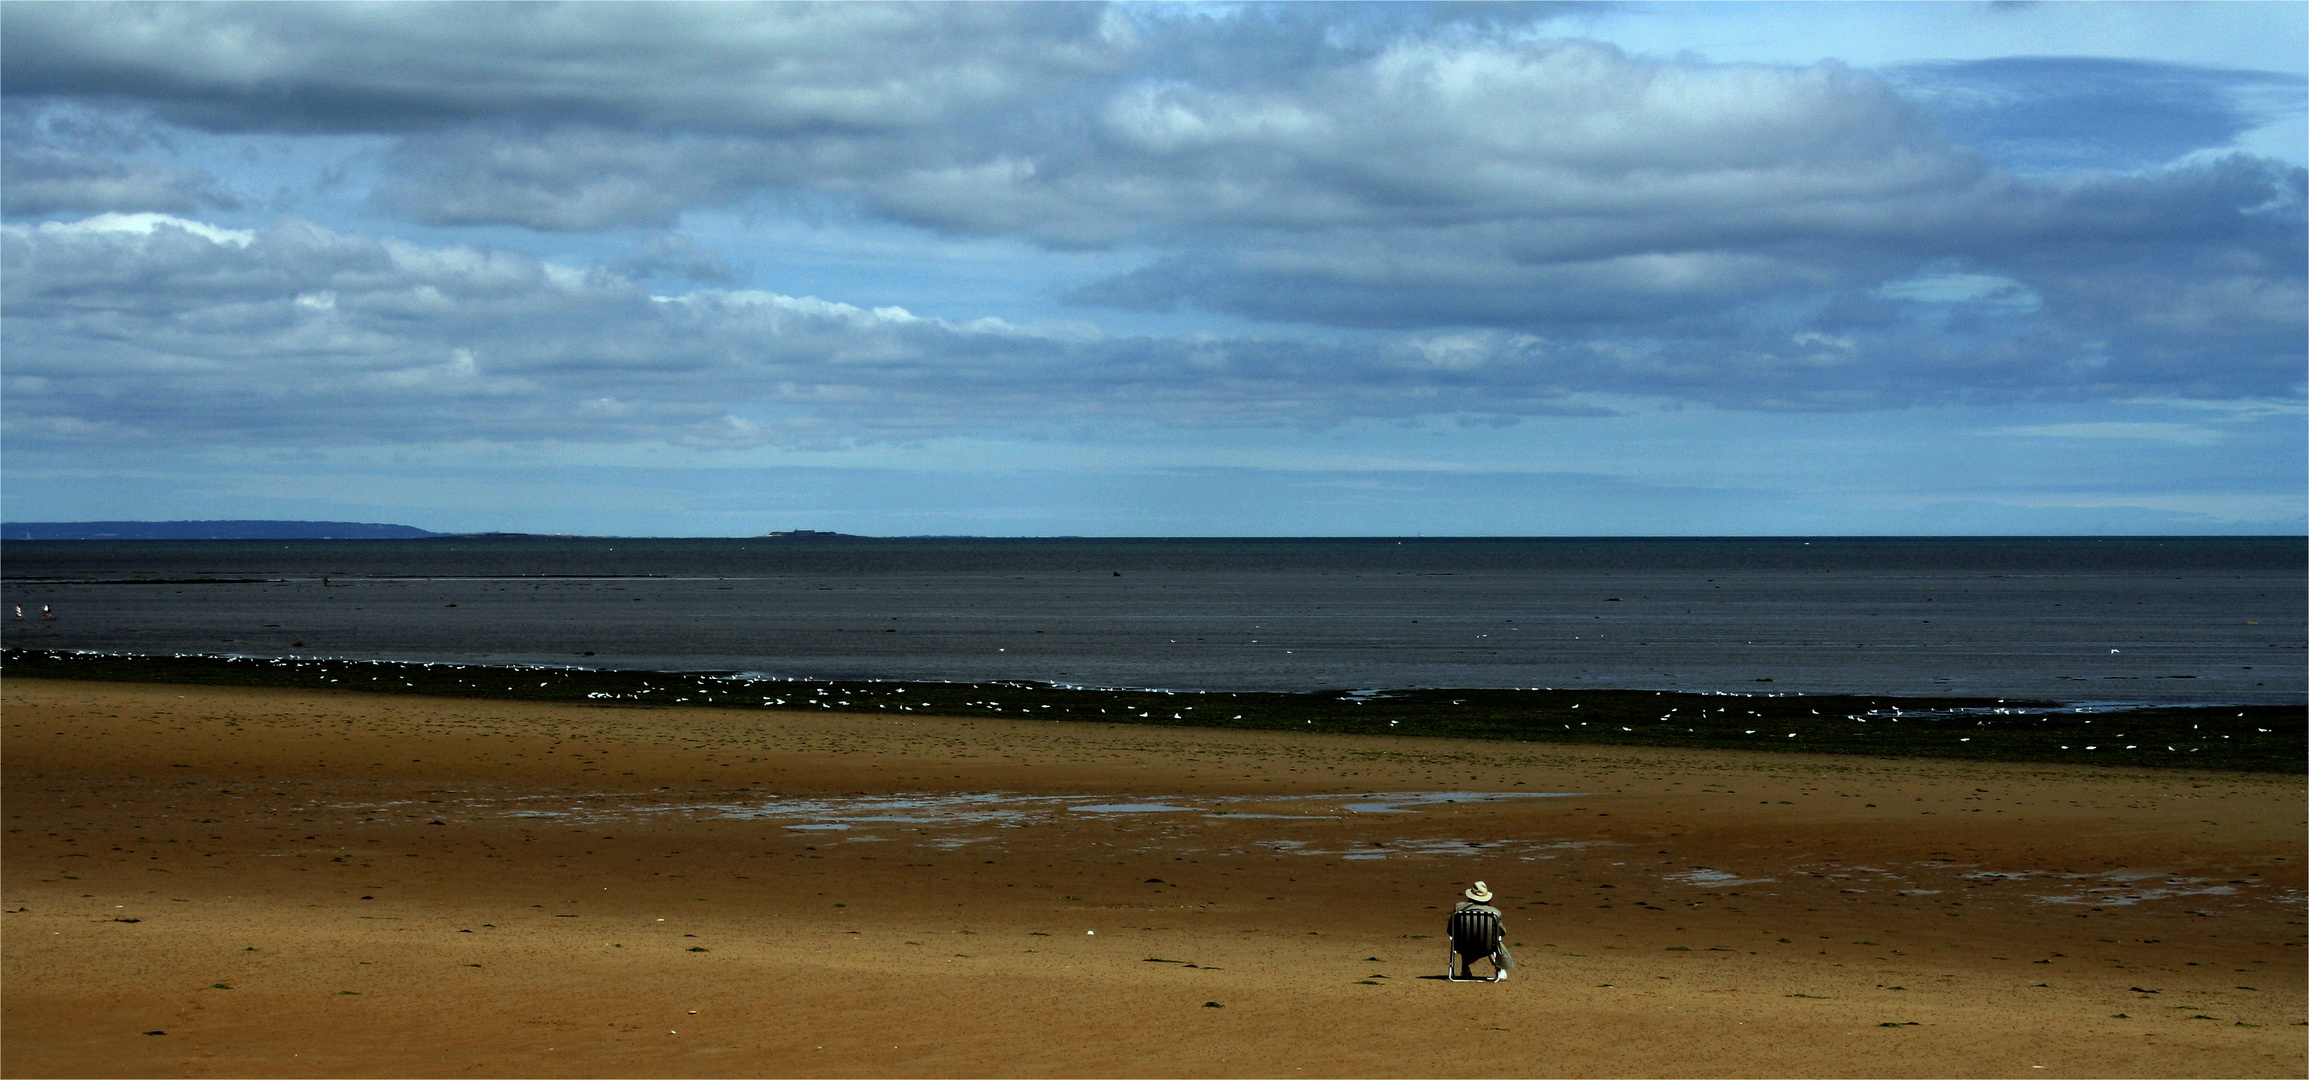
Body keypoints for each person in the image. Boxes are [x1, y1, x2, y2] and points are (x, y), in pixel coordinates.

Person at [1451, 880, 1513, 980]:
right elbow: (1502, 932)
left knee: (1467, 936)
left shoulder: (1459, 908)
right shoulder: (1494, 913)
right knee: (1490, 939)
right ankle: (1499, 968)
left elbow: (1451, 929)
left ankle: (1465, 968)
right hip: (1487, 947)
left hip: (1462, 946)